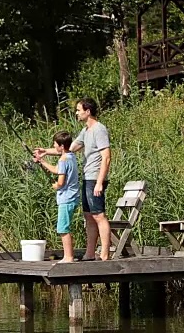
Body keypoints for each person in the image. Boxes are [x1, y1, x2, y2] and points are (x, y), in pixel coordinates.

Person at [34, 98, 111, 261]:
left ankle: (105, 254)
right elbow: (69, 149)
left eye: (78, 110)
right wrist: (45, 152)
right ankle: (90, 253)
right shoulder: (86, 131)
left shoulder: (99, 129)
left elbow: (106, 157)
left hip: (95, 178)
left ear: (87, 111)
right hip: (87, 177)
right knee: (88, 215)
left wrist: (99, 182)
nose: (76, 113)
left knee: (99, 215)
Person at [34, 131, 79, 263]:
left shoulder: (63, 160)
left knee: (63, 228)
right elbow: (56, 169)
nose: (53, 146)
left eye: (55, 144)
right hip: (72, 197)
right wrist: (42, 160)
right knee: (65, 227)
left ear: (61, 146)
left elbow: (61, 181)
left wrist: (56, 186)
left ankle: (68, 257)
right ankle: (69, 255)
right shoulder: (71, 156)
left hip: (66, 198)